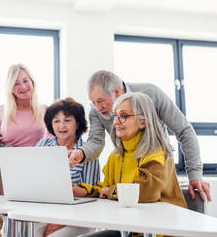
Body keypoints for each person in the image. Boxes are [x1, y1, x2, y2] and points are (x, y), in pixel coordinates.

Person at [69, 70, 211, 202]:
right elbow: (96, 141)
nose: (97, 108)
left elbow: (184, 131)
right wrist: (81, 155)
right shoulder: (115, 157)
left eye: (100, 101)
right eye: (93, 102)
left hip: (154, 174)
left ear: (117, 91)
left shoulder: (151, 94)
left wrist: (195, 174)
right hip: (127, 172)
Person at [73, 92, 187, 237]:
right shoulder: (116, 155)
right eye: (115, 116)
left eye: (124, 116)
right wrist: (84, 191)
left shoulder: (157, 153)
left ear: (143, 121)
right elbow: (106, 188)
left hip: (160, 231)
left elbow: (146, 191)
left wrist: (109, 191)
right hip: (129, 228)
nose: (116, 122)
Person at [0, 64, 48, 237]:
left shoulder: (45, 110)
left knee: (31, 218)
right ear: (10, 88)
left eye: (25, 81)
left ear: (32, 82)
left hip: (34, 169)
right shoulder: (2, 112)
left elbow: (53, 143)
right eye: (16, 83)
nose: (22, 87)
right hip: (4, 169)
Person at [34, 97, 99, 237]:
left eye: (67, 120)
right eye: (56, 121)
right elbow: (34, 182)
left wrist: (59, 221)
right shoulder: (42, 145)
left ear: (77, 124)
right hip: (45, 212)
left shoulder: (87, 152)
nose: (61, 126)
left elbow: (91, 197)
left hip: (79, 217)